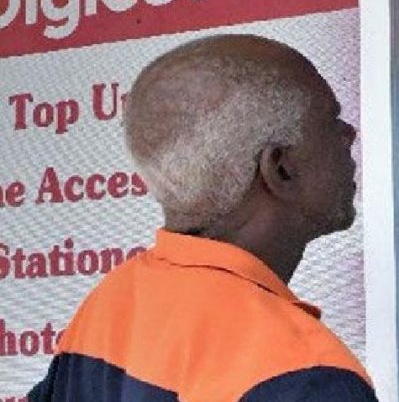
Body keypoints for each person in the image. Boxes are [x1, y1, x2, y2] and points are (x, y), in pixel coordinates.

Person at [28, 34, 378, 401]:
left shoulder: (109, 308)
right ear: (281, 167)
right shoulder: (305, 377)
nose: (349, 134)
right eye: (330, 120)